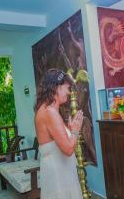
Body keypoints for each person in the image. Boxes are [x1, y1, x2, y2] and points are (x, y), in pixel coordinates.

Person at [34, 68, 83, 199]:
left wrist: (69, 129)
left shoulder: (45, 109)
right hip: (59, 177)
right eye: (66, 88)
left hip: (58, 172)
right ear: (56, 87)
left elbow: (56, 139)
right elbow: (68, 149)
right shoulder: (50, 112)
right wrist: (75, 131)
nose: (68, 92)